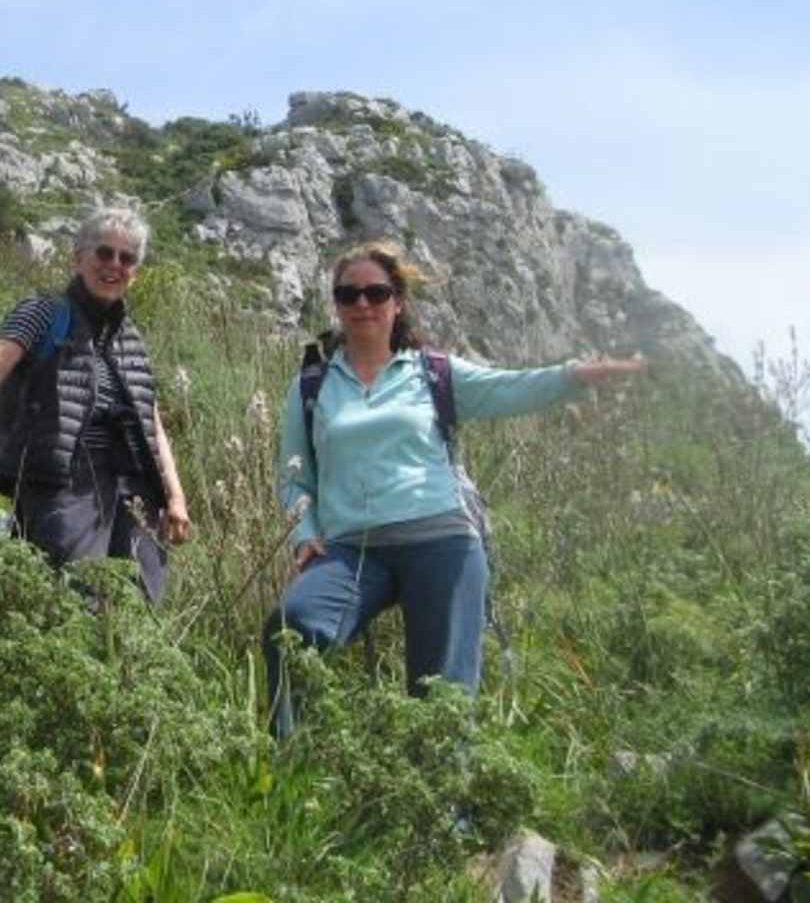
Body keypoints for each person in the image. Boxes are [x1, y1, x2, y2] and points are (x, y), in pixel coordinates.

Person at [262, 241, 647, 736]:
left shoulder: (433, 371)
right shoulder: (311, 385)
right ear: (335, 304)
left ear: (397, 302)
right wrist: (304, 532)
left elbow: (511, 388)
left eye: (376, 293)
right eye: (348, 294)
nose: (362, 304)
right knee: (292, 628)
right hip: (352, 549)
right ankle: (291, 768)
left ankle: (447, 810)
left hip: (441, 540)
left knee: (440, 696)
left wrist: (576, 375)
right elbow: (293, 472)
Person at [0, 206, 192, 604]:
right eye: (104, 253)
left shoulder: (132, 340)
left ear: (135, 272)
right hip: (65, 483)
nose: (114, 265)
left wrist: (174, 497)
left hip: (136, 491)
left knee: (139, 611)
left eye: (126, 258)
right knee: (71, 603)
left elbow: (151, 423)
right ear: (79, 257)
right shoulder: (43, 313)